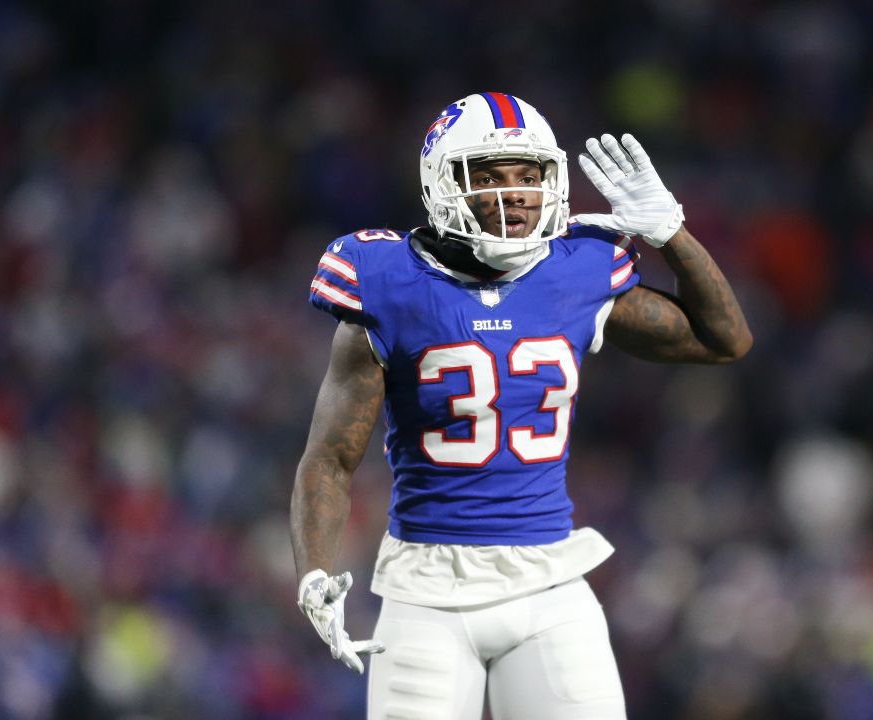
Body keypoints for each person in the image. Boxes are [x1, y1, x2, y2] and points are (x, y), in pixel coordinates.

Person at [291, 91, 752, 720]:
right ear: (441, 182)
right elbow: (331, 459)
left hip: (550, 583)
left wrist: (673, 233)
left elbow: (726, 341)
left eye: (527, 176)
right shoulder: (388, 281)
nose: (513, 196)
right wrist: (314, 575)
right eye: (488, 176)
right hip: (426, 592)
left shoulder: (575, 272)